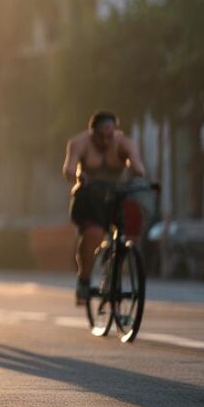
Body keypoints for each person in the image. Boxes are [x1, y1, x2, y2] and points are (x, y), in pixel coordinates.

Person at [62, 111, 147, 305]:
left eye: (110, 136)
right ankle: (84, 279)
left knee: (131, 228)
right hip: (90, 197)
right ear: (92, 132)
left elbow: (137, 165)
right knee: (94, 234)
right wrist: (77, 176)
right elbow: (69, 168)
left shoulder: (124, 143)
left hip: (117, 194)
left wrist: (138, 173)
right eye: (101, 136)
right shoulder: (79, 143)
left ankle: (116, 264)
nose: (106, 141)